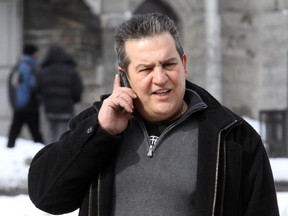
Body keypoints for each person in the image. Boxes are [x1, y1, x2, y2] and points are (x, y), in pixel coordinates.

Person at [28, 13, 279, 216]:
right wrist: (101, 133)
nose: (160, 79)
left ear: (184, 64)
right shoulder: (97, 125)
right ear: (124, 75)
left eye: (169, 64)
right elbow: (46, 197)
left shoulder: (233, 137)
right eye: (146, 69)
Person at [37, 44, 83, 143]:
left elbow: (38, 89)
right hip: (66, 106)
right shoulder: (71, 70)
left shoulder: (44, 71)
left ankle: (50, 153)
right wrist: (75, 99)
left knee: (52, 130)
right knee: (65, 131)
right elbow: (78, 88)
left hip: (49, 107)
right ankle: (63, 152)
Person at [7, 44, 44, 148]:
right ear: (33, 53)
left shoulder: (17, 66)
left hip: (18, 105)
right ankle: (44, 154)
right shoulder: (32, 66)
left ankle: (9, 151)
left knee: (14, 130)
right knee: (36, 133)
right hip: (30, 105)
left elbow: (13, 85)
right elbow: (34, 85)